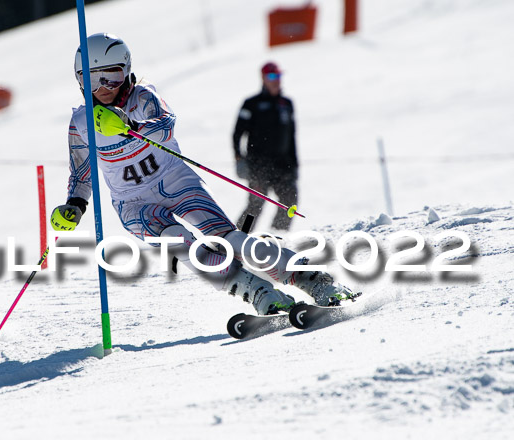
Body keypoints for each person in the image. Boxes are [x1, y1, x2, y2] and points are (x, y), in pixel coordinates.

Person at [50, 33, 356, 316]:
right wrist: (75, 205)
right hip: (134, 204)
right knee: (179, 242)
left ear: (127, 71)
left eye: (112, 76)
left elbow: (165, 124)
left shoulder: (142, 98)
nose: (103, 88)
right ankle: (257, 292)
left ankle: (311, 277)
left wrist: (129, 127)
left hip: (176, 182)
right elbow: (81, 173)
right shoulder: (80, 124)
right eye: (91, 80)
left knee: (229, 239)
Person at [233, 61, 297, 231]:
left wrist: (294, 165)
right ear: (263, 78)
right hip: (258, 165)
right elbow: (237, 133)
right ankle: (237, 239)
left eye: (278, 75)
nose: (276, 80)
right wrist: (239, 158)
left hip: (283, 165)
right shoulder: (252, 104)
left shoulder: (286, 104)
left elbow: (291, 137)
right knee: (256, 204)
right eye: (271, 76)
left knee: (290, 202)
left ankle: (277, 237)